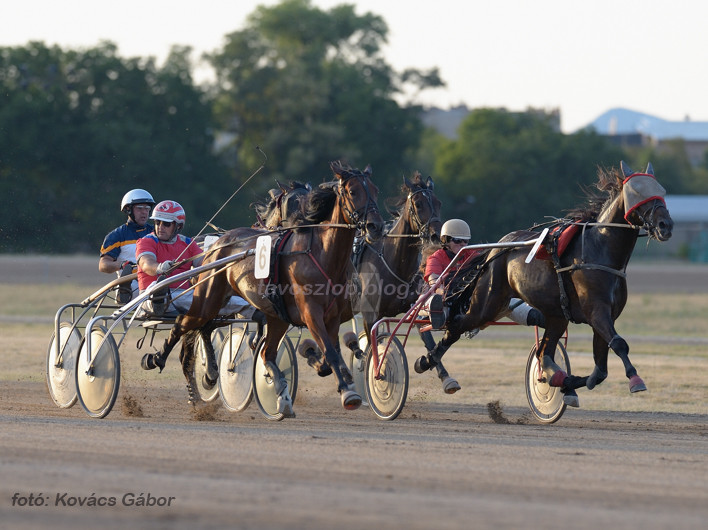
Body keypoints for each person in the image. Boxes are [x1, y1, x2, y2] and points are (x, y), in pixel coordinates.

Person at [417, 218, 545, 393]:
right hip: (447, 301)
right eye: (457, 241)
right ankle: (443, 324)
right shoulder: (436, 258)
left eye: (465, 241)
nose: (462, 244)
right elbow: (434, 281)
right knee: (442, 306)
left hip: (476, 303)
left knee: (509, 302)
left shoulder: (472, 255)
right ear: (445, 241)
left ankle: (540, 318)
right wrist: (441, 293)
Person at [136, 200, 265, 372]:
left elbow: (205, 265)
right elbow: (146, 264)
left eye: (166, 223)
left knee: (215, 298)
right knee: (178, 295)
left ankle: (257, 313)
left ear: (178, 226)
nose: (160, 227)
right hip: (152, 294)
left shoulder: (188, 243)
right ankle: (160, 300)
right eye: (157, 222)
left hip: (184, 296)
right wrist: (159, 267)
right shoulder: (146, 241)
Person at [99, 189, 155, 304]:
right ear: (128, 209)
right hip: (132, 282)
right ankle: (124, 291)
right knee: (151, 288)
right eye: (140, 208)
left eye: (147, 209)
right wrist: (122, 265)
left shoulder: (156, 232)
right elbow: (103, 265)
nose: (144, 212)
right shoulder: (116, 235)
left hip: (154, 279)